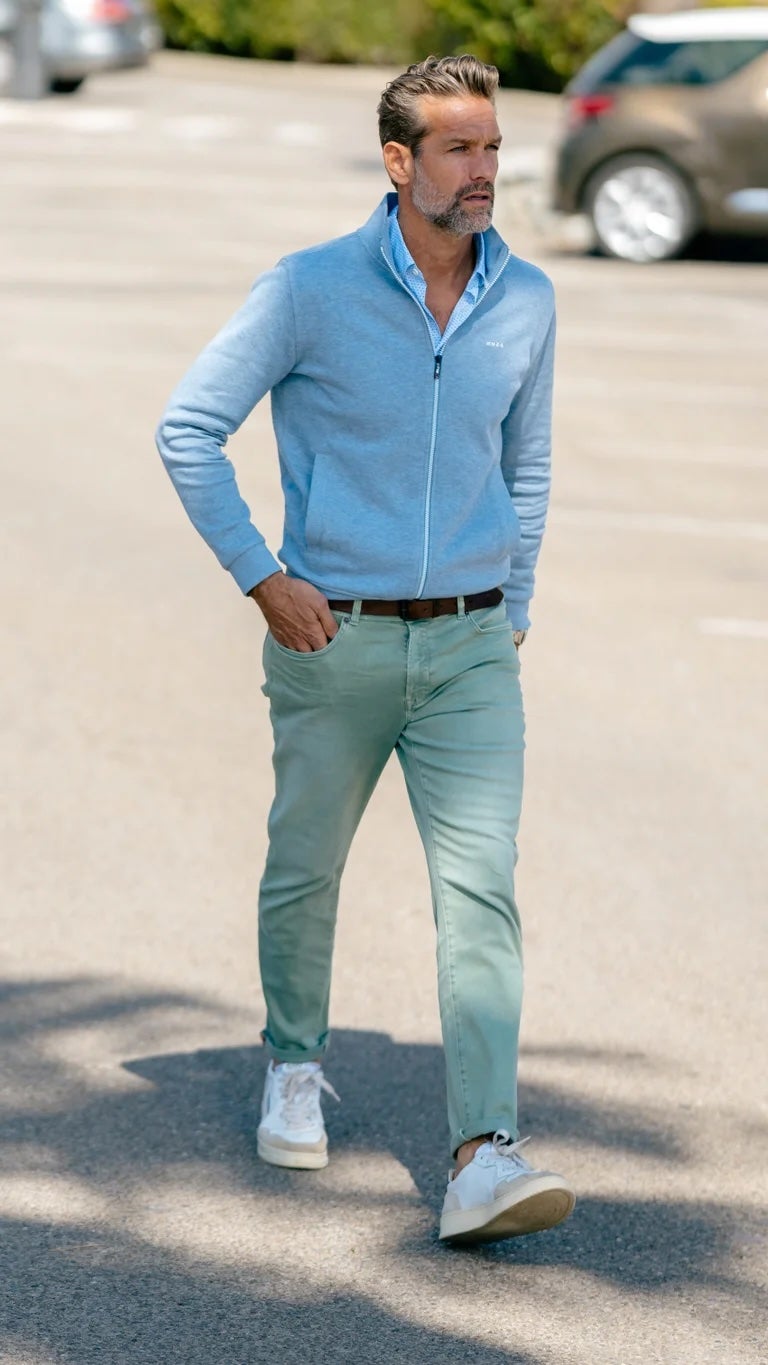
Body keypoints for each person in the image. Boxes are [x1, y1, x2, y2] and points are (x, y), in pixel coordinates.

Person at [156, 54, 574, 1246]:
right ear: (399, 162)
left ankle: (484, 1152)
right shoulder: (309, 288)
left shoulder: (529, 299)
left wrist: (515, 603)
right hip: (332, 636)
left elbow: (529, 463)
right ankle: (294, 1063)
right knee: (305, 867)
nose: (484, 169)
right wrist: (262, 576)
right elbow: (188, 429)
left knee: (481, 889)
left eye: (492, 147)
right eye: (458, 149)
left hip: (471, 646)